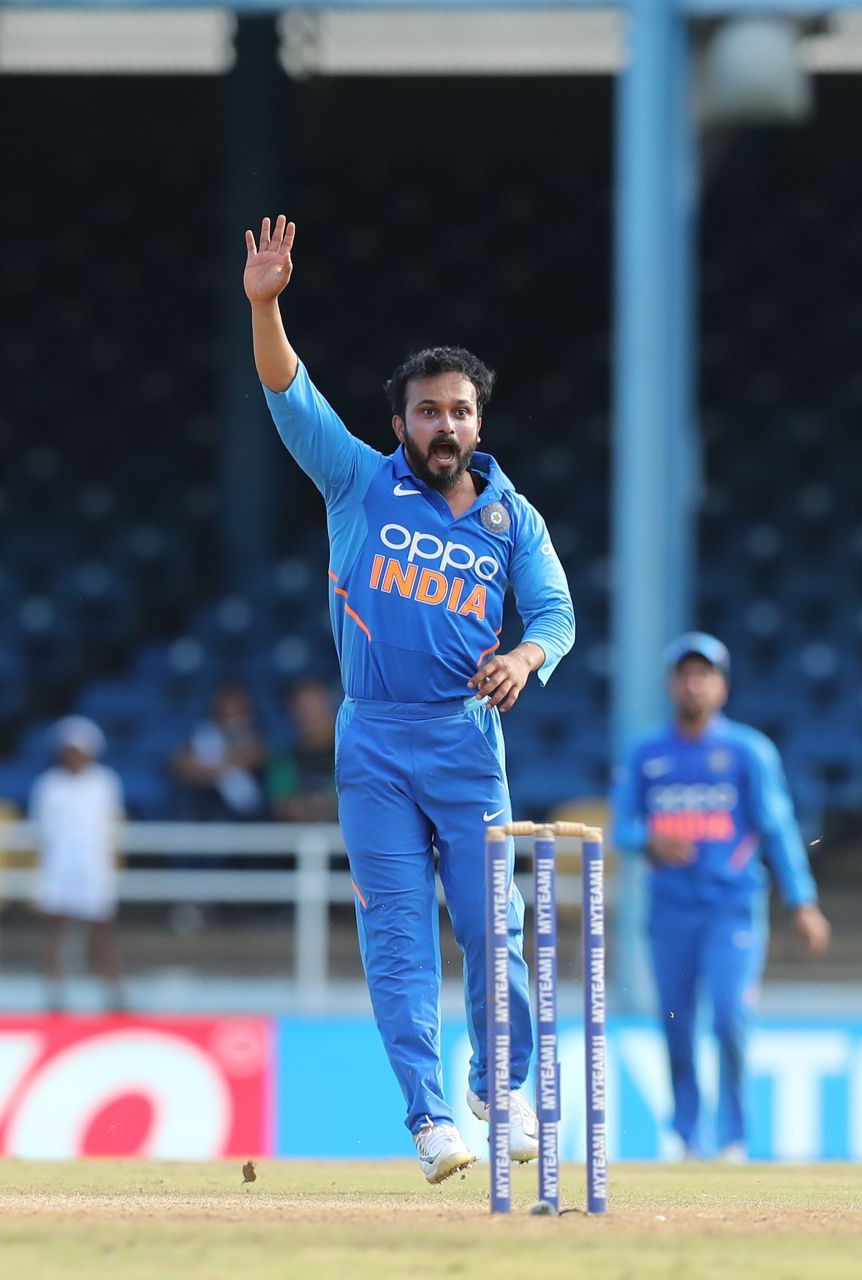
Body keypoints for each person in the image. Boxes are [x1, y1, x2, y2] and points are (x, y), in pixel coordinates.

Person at [243, 215, 576, 1184]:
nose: (444, 425)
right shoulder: (356, 483)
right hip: (375, 744)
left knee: (494, 932)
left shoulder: (515, 516)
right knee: (398, 941)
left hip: (467, 743)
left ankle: (497, 1088)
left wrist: (526, 656)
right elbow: (287, 394)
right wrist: (267, 305)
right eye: (427, 411)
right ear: (401, 425)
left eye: (459, 410)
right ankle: (431, 1117)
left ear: (480, 421)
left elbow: (555, 613)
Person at [612, 633, 831, 1160]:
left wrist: (802, 902)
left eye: (704, 674)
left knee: (731, 1018)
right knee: (677, 1027)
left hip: (731, 908)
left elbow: (777, 828)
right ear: (671, 685)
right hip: (669, 912)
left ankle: (733, 1140)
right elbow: (621, 828)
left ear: (722, 687)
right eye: (685, 674)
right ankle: (688, 1139)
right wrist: (649, 840)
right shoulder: (646, 754)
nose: (694, 684)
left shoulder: (747, 752)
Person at [29, 716, 126, 1014]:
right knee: (54, 931)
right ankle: (53, 996)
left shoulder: (105, 782)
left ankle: (114, 996)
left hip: (94, 866)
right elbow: (41, 832)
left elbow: (114, 827)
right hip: (58, 866)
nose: (73, 756)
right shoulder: (49, 784)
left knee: (100, 932)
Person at [172, 682, 267, 823]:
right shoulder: (204, 734)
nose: (232, 712)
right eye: (226, 705)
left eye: (237, 707)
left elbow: (254, 756)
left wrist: (205, 766)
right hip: (204, 807)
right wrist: (222, 769)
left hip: (247, 815)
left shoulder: (257, 734)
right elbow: (180, 766)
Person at [267, 677, 340, 825]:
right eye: (302, 710)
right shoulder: (283, 758)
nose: (309, 716)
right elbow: (279, 802)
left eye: (315, 708)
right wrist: (296, 808)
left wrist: (326, 806)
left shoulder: (348, 755)